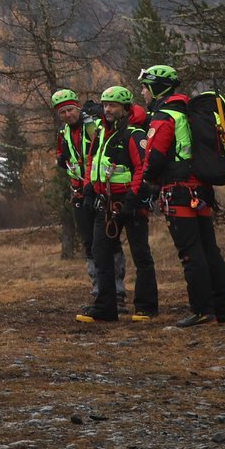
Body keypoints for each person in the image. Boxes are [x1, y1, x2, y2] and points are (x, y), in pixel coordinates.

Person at [136, 65, 225, 327]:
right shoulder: (188, 112)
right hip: (201, 189)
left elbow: (155, 157)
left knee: (190, 253)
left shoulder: (164, 116)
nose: (143, 92)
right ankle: (223, 309)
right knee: (209, 248)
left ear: (156, 88)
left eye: (145, 87)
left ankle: (202, 311)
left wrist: (147, 182)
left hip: (178, 190)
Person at [75, 86, 157, 323]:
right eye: (105, 105)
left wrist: (132, 198)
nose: (108, 109)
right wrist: (89, 188)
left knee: (141, 254)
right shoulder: (101, 131)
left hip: (130, 204)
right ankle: (105, 307)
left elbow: (142, 168)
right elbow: (92, 160)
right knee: (100, 253)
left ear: (125, 108)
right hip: (105, 202)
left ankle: (146, 307)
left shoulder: (134, 134)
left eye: (113, 105)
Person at [52, 88, 122, 311]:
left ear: (78, 107)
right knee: (89, 243)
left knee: (109, 241)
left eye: (70, 110)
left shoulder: (94, 126)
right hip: (79, 193)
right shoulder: (64, 133)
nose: (67, 115)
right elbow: (64, 158)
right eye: (62, 112)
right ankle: (99, 291)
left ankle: (117, 293)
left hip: (99, 191)